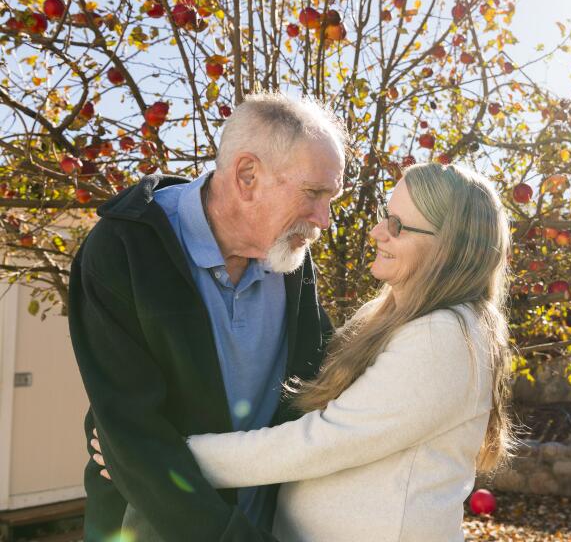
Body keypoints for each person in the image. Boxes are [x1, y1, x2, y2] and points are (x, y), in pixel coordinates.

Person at [92, 162, 519, 541]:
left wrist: (155, 459)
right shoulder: (392, 316)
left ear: (450, 247)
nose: (376, 232)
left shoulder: (446, 336)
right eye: (383, 216)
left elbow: (323, 441)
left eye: (397, 225)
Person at [69, 92, 346, 540]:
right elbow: (133, 436)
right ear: (247, 175)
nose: (325, 219)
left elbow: (326, 377)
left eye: (329, 197)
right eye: (313, 193)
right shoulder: (123, 248)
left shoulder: (290, 255)